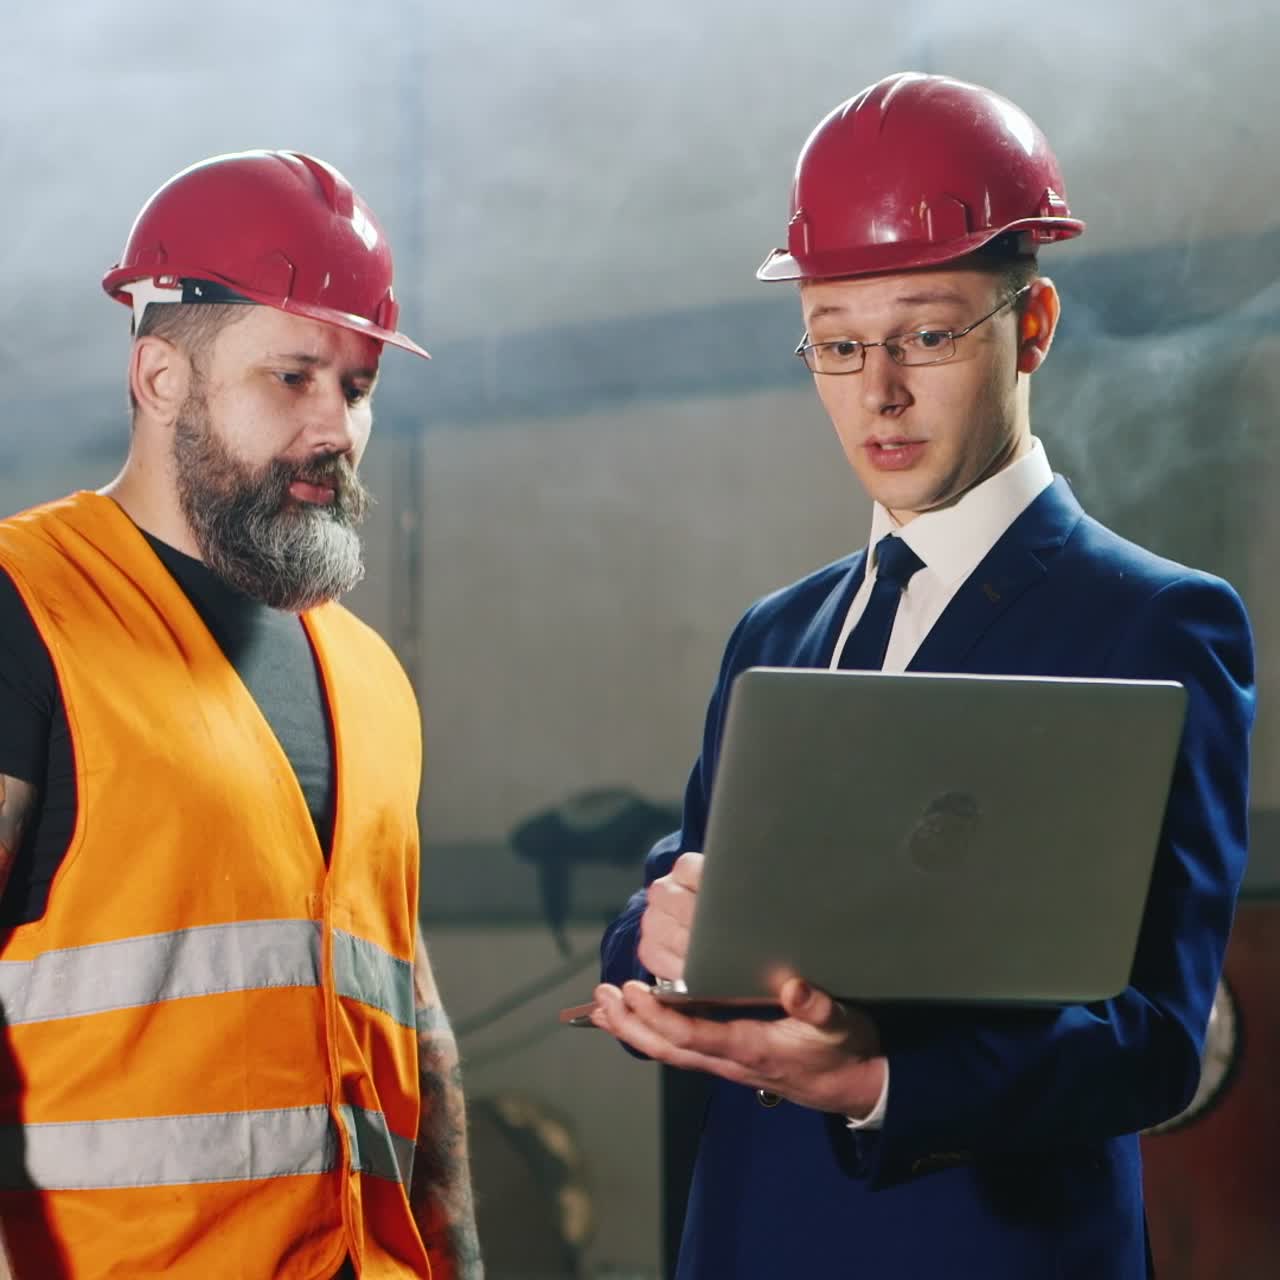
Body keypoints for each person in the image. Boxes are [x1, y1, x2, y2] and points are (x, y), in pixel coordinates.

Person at [594, 73, 1254, 1279]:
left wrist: (880, 1076)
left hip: (990, 1249)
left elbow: (1155, 1038)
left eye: (927, 334)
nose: (877, 390)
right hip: (746, 1241)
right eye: (838, 343)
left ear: (1033, 326)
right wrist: (657, 935)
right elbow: (683, 886)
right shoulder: (776, 632)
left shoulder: (1151, 624)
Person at [0, 151, 481, 1279]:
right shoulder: (25, 611)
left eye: (356, 388)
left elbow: (412, 1025)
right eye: (292, 377)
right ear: (161, 377)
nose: (335, 428)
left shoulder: (367, 677)